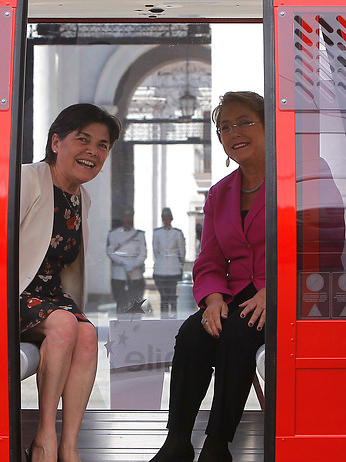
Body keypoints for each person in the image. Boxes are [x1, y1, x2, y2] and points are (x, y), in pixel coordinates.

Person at [149, 91, 266, 462]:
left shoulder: (302, 177)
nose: (234, 132)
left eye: (244, 122)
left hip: (283, 294)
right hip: (233, 294)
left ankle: (218, 443)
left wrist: (275, 291)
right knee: (193, 333)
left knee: (237, 335)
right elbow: (210, 259)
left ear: (270, 126)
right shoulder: (219, 193)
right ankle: (177, 441)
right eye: (224, 127)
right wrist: (213, 298)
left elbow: (322, 246)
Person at [19, 103, 121, 462]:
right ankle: (45, 437)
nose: (93, 151)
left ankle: (69, 445)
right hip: (10, 294)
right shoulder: (27, 180)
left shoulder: (82, 198)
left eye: (103, 145)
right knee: (64, 324)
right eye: (83, 139)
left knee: (88, 332)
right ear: (56, 142)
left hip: (48, 297)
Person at [106, 206, 147, 313]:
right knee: (121, 304)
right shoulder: (113, 234)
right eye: (125, 217)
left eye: (129, 217)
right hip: (119, 274)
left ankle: (135, 327)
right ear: (121, 219)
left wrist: (133, 265)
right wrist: (124, 262)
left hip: (135, 274)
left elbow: (143, 254)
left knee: (135, 304)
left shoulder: (140, 235)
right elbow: (110, 252)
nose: (127, 220)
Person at [153, 207, 186, 318]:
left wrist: (179, 263)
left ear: (171, 219)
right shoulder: (157, 233)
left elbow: (181, 251)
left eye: (168, 218)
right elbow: (156, 250)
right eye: (164, 218)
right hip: (161, 269)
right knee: (164, 297)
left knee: (173, 297)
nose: (166, 220)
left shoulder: (177, 233)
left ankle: (173, 317)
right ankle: (164, 318)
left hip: (174, 269)